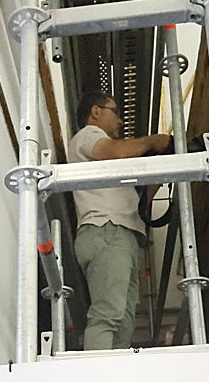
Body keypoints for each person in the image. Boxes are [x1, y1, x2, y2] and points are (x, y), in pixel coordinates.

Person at [69, 92, 171, 350]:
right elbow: (115, 152)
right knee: (108, 316)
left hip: (121, 236)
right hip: (108, 230)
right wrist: (152, 142)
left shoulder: (107, 165)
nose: (121, 121)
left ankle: (115, 380)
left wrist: (159, 169)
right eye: (115, 112)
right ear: (95, 111)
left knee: (123, 325)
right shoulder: (89, 136)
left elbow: (140, 203)